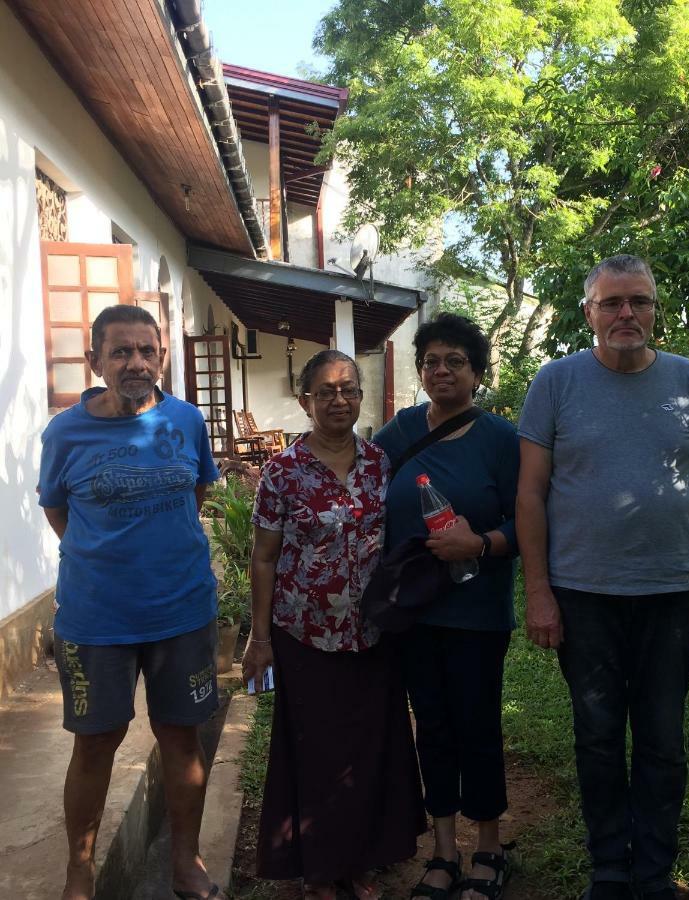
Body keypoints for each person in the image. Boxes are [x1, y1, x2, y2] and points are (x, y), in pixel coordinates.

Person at [516, 255, 689, 900]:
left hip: (671, 593)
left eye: (638, 301)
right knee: (599, 736)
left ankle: (654, 871)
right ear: (589, 313)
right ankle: (610, 867)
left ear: (656, 309)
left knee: (663, 738)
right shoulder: (556, 383)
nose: (626, 314)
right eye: (611, 303)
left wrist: (675, 543)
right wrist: (540, 593)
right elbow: (530, 493)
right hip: (584, 595)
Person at [38, 305, 222, 900]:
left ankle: (185, 862)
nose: (135, 362)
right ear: (96, 361)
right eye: (120, 352)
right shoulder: (65, 432)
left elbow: (193, 494)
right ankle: (79, 871)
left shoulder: (188, 421)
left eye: (146, 350)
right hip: (96, 619)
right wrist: (107, 562)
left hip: (182, 614)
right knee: (94, 743)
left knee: (181, 737)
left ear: (162, 356)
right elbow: (58, 510)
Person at [242, 349, 425, 900]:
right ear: (306, 401)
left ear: (361, 397)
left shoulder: (379, 465)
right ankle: (320, 870)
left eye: (348, 389)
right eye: (326, 391)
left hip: (372, 635)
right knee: (317, 752)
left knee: (369, 750)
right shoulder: (282, 473)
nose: (339, 399)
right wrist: (258, 638)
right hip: (304, 635)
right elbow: (264, 557)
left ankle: (360, 860)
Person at [374, 313, 520, 900]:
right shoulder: (399, 430)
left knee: (477, 725)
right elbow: (358, 483)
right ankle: (442, 851)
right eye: (431, 361)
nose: (441, 371)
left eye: (455, 361)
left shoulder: (501, 439)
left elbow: (530, 519)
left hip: (477, 612)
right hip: (413, 612)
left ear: (478, 373)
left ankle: (488, 845)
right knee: (431, 727)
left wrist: (480, 544)